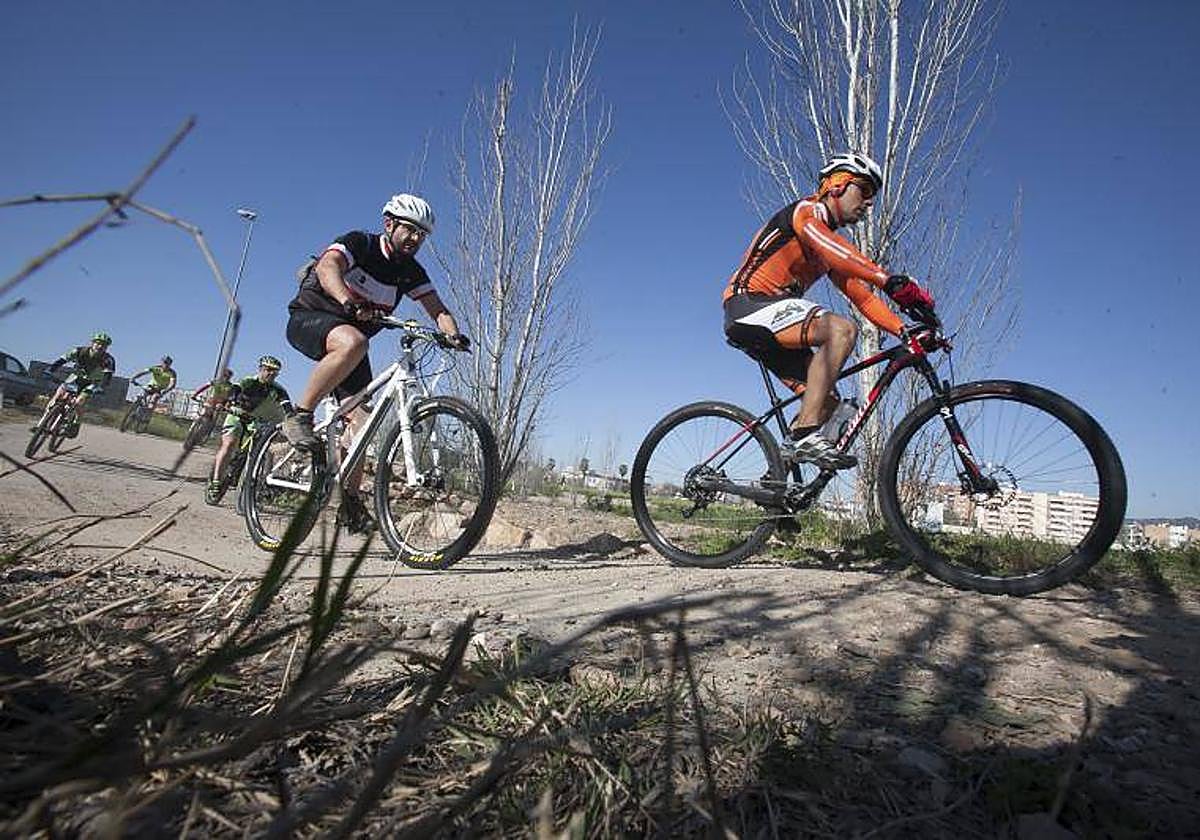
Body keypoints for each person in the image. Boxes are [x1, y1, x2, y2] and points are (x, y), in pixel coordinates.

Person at [723, 151, 934, 469]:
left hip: (771, 323)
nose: (868, 202)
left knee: (830, 405)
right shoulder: (807, 212)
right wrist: (887, 279)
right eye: (864, 190)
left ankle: (779, 489)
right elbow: (836, 250)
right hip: (747, 305)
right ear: (837, 184)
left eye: (873, 196)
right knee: (841, 329)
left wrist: (904, 331)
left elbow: (862, 298)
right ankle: (804, 435)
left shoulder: (827, 252)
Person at [281, 193, 469, 533]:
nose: (415, 239)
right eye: (410, 230)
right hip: (310, 318)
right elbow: (328, 267)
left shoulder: (410, 271)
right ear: (389, 224)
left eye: (422, 235)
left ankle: (349, 504)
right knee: (355, 340)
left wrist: (453, 335)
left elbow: (437, 309)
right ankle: (300, 415)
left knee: (363, 425)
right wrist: (346, 301)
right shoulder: (361, 244)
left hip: (350, 350)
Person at [205, 356, 293, 505]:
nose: (270, 374)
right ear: (260, 369)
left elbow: (286, 406)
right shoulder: (249, 381)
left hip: (255, 422)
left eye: (274, 372)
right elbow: (235, 390)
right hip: (237, 415)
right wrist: (232, 402)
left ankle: (251, 488)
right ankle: (215, 482)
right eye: (267, 370)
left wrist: (291, 418)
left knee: (259, 452)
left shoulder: (278, 390)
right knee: (229, 444)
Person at [37, 332, 116, 438]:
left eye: (104, 345)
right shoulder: (79, 351)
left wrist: (101, 387)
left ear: (107, 347)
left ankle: (75, 424)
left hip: (92, 382)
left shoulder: (108, 359)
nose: (100, 346)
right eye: (98, 343)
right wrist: (50, 370)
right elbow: (62, 361)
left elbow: (108, 375)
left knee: (79, 402)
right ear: (92, 343)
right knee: (58, 396)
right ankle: (40, 425)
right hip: (75, 378)